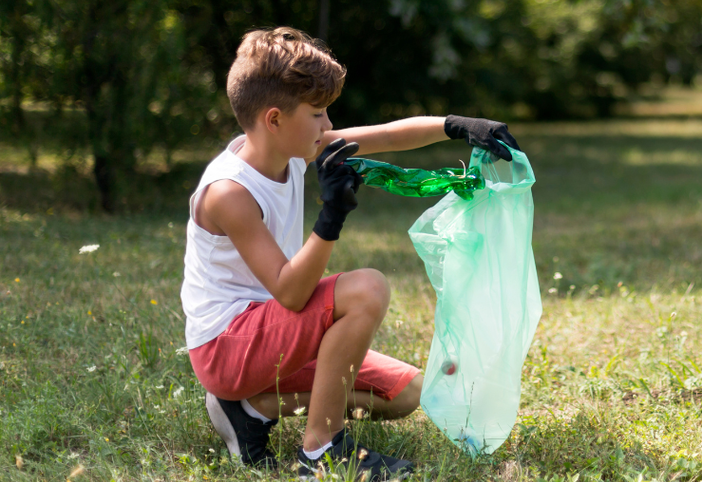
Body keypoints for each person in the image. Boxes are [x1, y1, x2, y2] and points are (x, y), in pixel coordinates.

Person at [182, 27, 520, 478]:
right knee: (366, 289)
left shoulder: (288, 149)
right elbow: (290, 293)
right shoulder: (229, 192)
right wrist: (331, 218)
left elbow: (386, 135)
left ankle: (252, 408)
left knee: (406, 393)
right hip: (227, 348)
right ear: (275, 119)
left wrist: (457, 126)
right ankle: (320, 452)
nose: (328, 127)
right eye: (319, 114)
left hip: (271, 337)